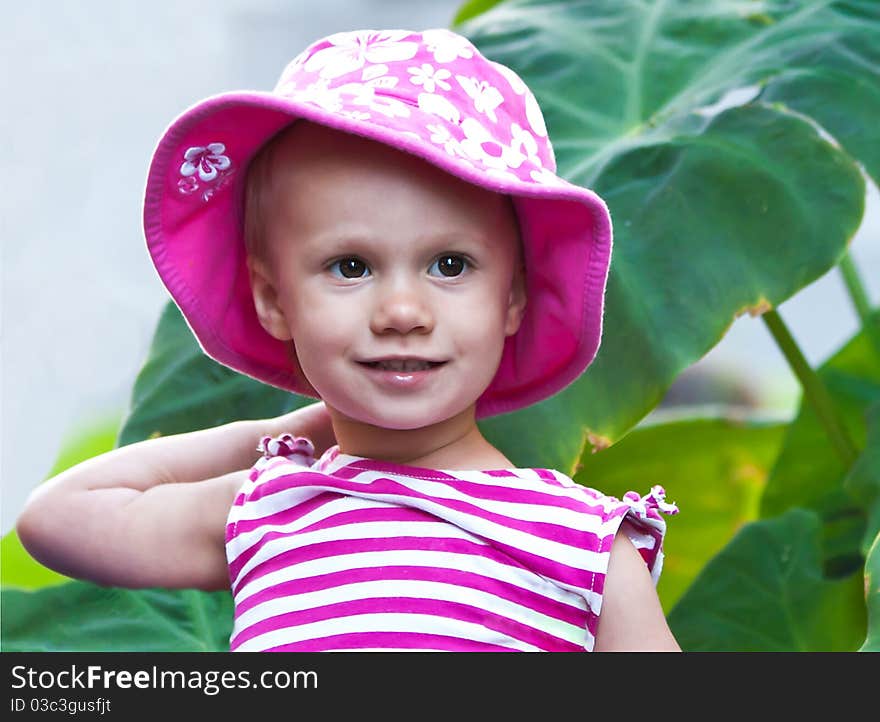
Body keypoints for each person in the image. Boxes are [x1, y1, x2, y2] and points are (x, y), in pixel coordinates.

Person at [16, 27, 680, 652]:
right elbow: (61, 519)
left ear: (512, 297)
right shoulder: (272, 506)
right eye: (351, 267)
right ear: (275, 300)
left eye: (450, 265)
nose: (401, 310)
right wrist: (296, 435)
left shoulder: (581, 543)